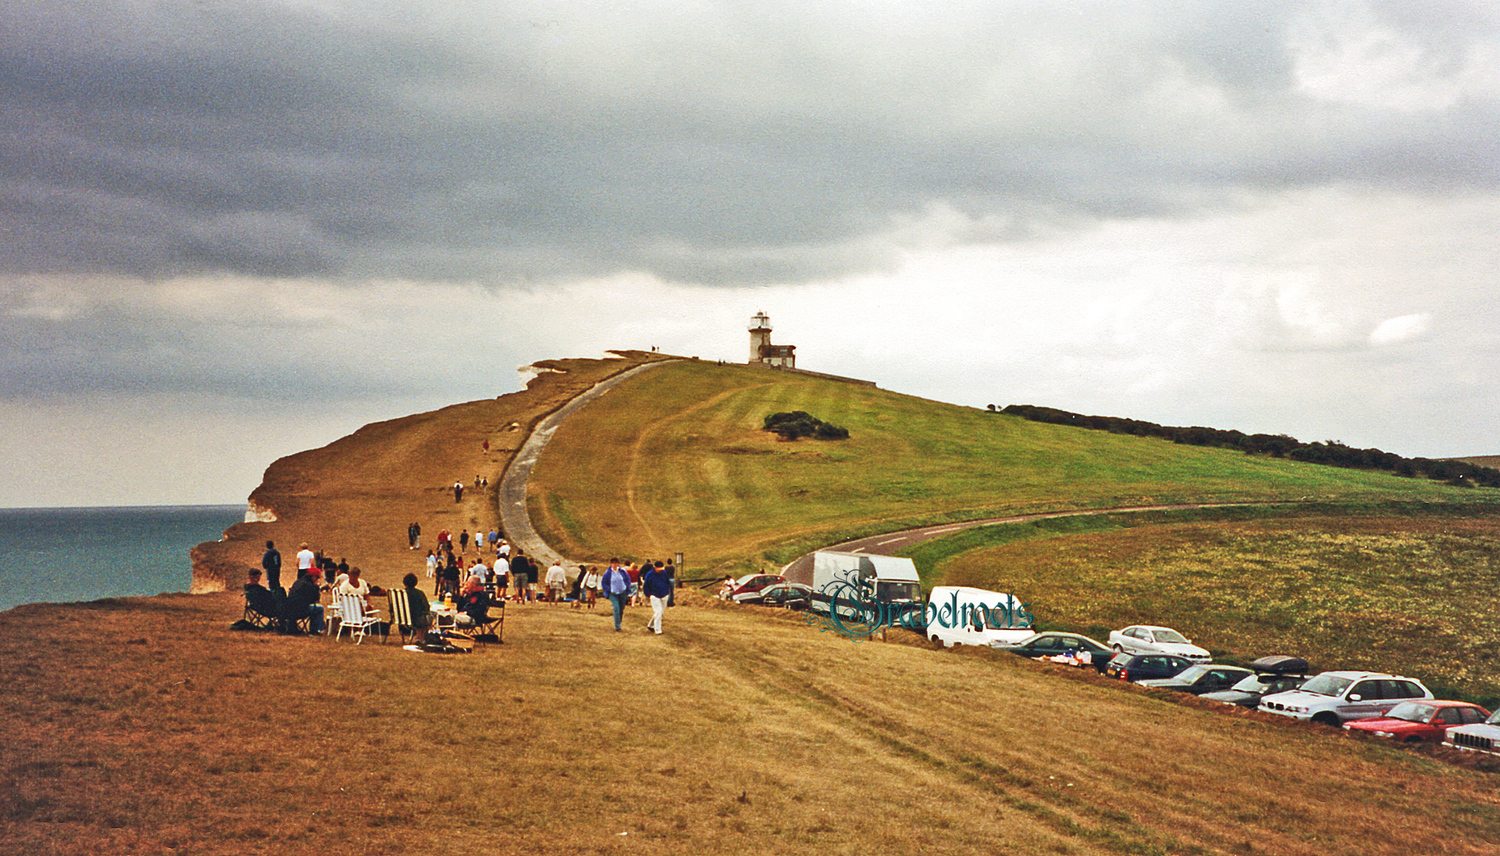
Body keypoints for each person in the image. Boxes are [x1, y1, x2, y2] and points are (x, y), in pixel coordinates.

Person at [284, 569, 325, 634]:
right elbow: (315, 599)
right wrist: (316, 588)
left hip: (289, 609)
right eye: (317, 577)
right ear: (313, 576)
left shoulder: (297, 582)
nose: (317, 579)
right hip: (301, 610)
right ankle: (316, 629)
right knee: (319, 608)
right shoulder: (309, 585)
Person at [642, 560, 672, 635]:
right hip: (654, 595)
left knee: (660, 612)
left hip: (664, 594)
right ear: (655, 568)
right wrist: (648, 594)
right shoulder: (649, 574)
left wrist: (667, 591)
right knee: (658, 611)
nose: (660, 570)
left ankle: (651, 625)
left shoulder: (664, 573)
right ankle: (657, 629)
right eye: (659, 569)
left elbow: (667, 582)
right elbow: (646, 585)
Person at [601, 558, 630, 631]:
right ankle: (617, 626)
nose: (614, 564)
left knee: (621, 608)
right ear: (611, 564)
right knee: (616, 608)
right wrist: (608, 589)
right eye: (613, 563)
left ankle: (618, 621)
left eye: (616, 563)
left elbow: (627, 579)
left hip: (622, 592)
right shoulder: (608, 573)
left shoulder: (622, 571)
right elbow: (604, 583)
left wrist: (626, 586)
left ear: (618, 563)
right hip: (613, 593)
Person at [401, 572, 431, 643]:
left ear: (404, 583)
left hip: (403, 620)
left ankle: (419, 637)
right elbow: (426, 607)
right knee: (427, 616)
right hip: (416, 620)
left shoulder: (401, 594)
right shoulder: (419, 593)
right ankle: (421, 637)